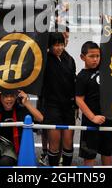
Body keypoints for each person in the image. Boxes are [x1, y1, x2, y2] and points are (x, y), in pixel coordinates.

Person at [0, 90, 43, 166]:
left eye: (11, 96)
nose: (9, 99)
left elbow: (40, 118)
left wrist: (26, 103)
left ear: (16, 97)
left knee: (5, 162)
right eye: (5, 96)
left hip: (14, 145)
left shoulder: (21, 110)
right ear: (0, 97)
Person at [76, 41, 112, 166]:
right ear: (82, 57)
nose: (95, 59)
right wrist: (93, 117)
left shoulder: (105, 70)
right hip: (90, 122)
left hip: (107, 119)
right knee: (89, 155)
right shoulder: (81, 77)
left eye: (98, 56)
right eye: (91, 56)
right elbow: (79, 99)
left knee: (107, 153)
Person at [42, 32, 76, 166]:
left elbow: (74, 82)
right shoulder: (45, 59)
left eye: (61, 44)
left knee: (68, 143)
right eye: (56, 45)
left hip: (68, 106)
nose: (59, 48)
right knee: (54, 144)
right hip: (52, 106)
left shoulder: (70, 59)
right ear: (49, 46)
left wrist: (76, 104)